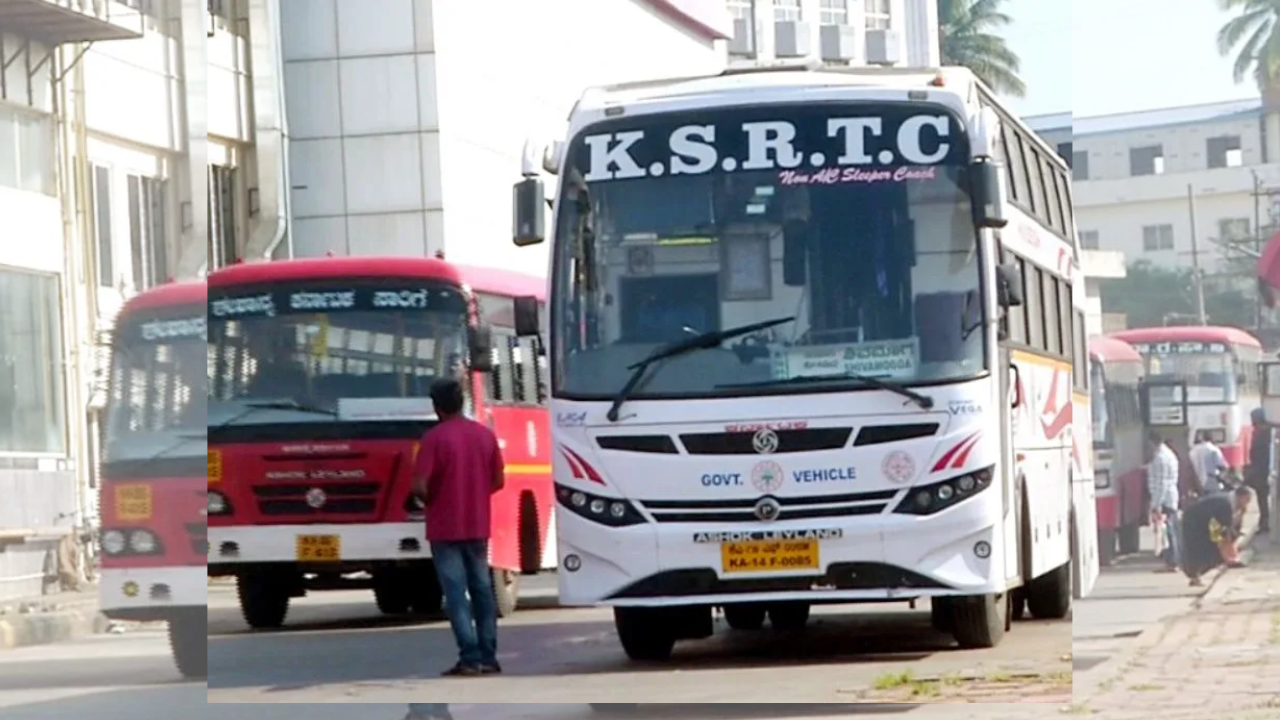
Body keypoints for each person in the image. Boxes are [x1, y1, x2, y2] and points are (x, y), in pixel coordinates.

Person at [412, 379, 505, 677]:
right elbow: (498, 481)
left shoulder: (433, 439)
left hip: (444, 529)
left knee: (456, 594)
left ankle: (469, 657)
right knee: (482, 591)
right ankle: (488, 656)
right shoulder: (484, 435)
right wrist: (475, 495)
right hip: (478, 526)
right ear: (461, 401)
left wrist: (433, 500)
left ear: (436, 406)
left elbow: (420, 486)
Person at [1180, 486, 1253, 586]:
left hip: (1207, 523)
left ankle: (1196, 575)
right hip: (1194, 522)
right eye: (1247, 500)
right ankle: (1195, 576)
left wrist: (1241, 513)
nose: (1247, 503)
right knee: (1200, 550)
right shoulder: (1226, 504)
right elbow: (1226, 531)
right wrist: (1229, 555)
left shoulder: (1231, 503)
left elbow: (1230, 528)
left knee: (1212, 548)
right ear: (1240, 497)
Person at [1147, 431, 1181, 572]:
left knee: (1169, 531)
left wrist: (1156, 504)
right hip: (1170, 497)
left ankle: (1172, 562)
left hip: (1165, 499)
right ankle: (1173, 560)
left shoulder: (1160, 458)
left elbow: (1161, 484)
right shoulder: (1169, 455)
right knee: (1171, 530)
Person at [1245, 408, 1273, 534]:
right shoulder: (1261, 433)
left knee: (1263, 499)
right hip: (1260, 471)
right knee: (1262, 499)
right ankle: (1264, 522)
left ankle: (1265, 522)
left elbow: (1262, 455)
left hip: (1264, 471)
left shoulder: (1265, 434)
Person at [1189, 430, 1230, 495]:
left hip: (1196, 483)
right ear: (1211, 438)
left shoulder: (1193, 450)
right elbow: (1222, 466)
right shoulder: (1213, 449)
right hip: (1211, 482)